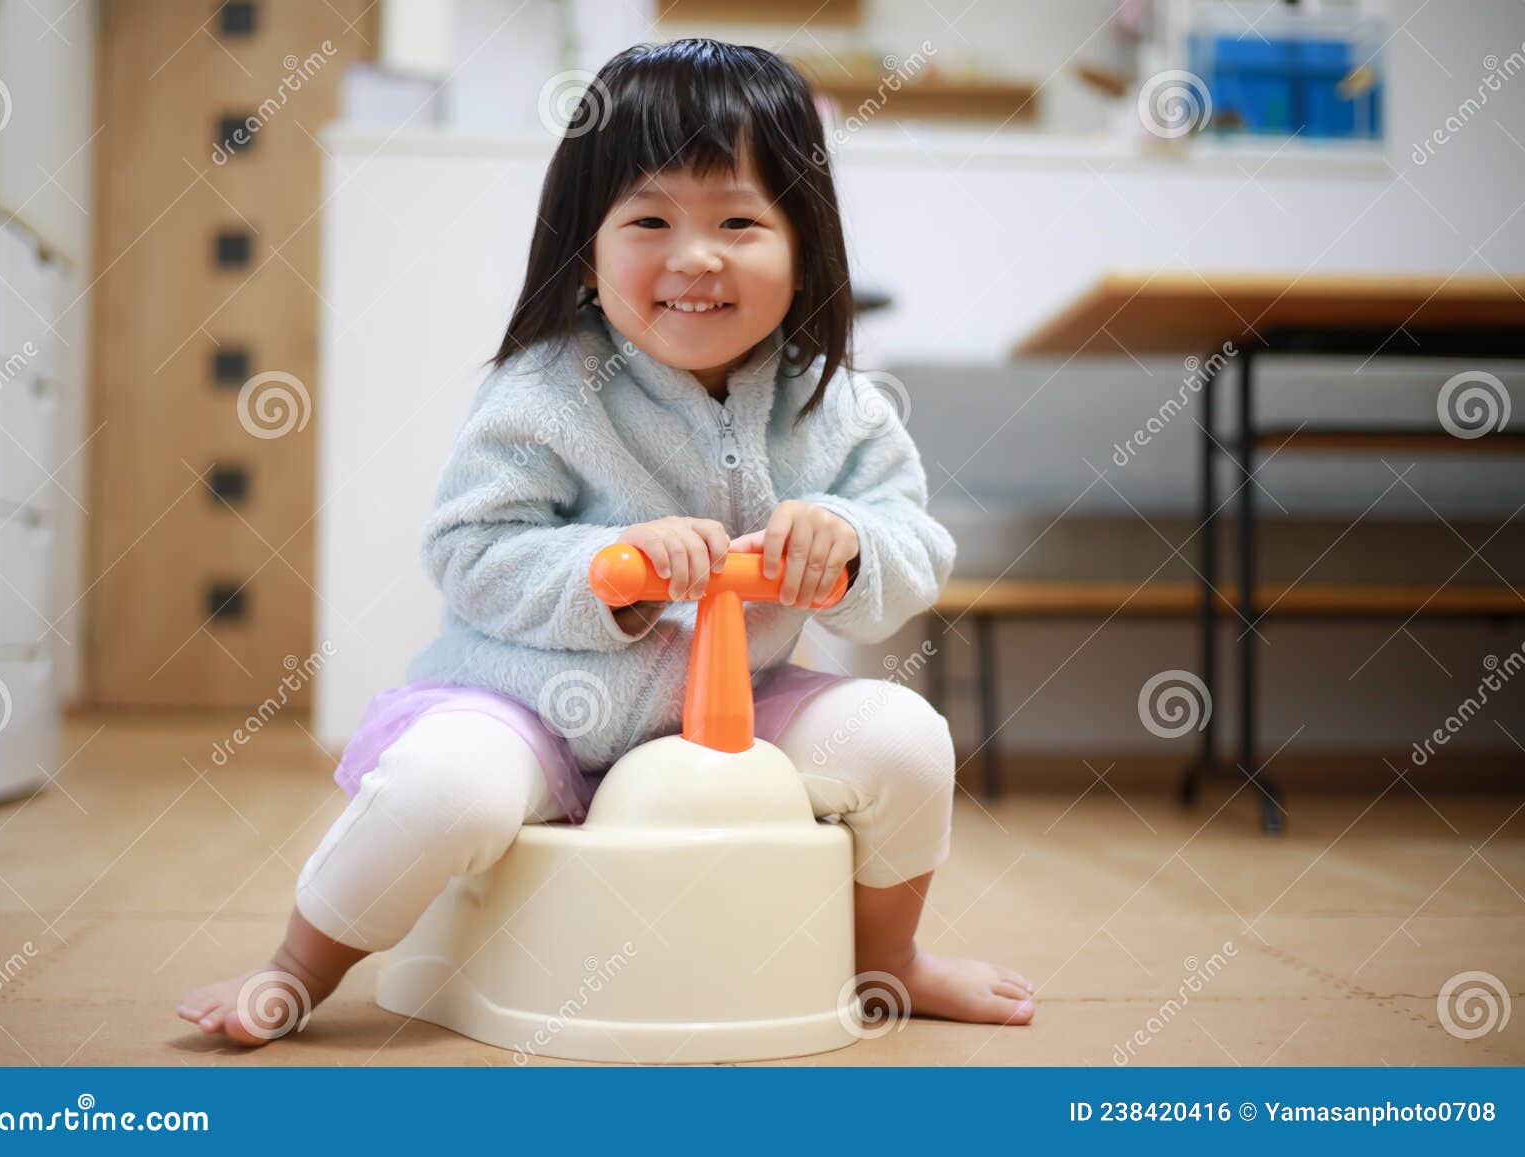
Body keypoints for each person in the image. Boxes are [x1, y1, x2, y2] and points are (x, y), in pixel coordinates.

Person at [177, 38, 1034, 1047]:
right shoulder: (545, 389)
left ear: (804, 246)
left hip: (736, 708)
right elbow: (470, 549)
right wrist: (606, 570)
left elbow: (913, 541)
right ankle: (297, 964)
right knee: (446, 788)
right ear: (586, 247)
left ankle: (887, 959)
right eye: (649, 219)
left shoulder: (832, 404)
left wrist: (844, 543)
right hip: (525, 701)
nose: (695, 255)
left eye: (739, 221)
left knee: (903, 738)